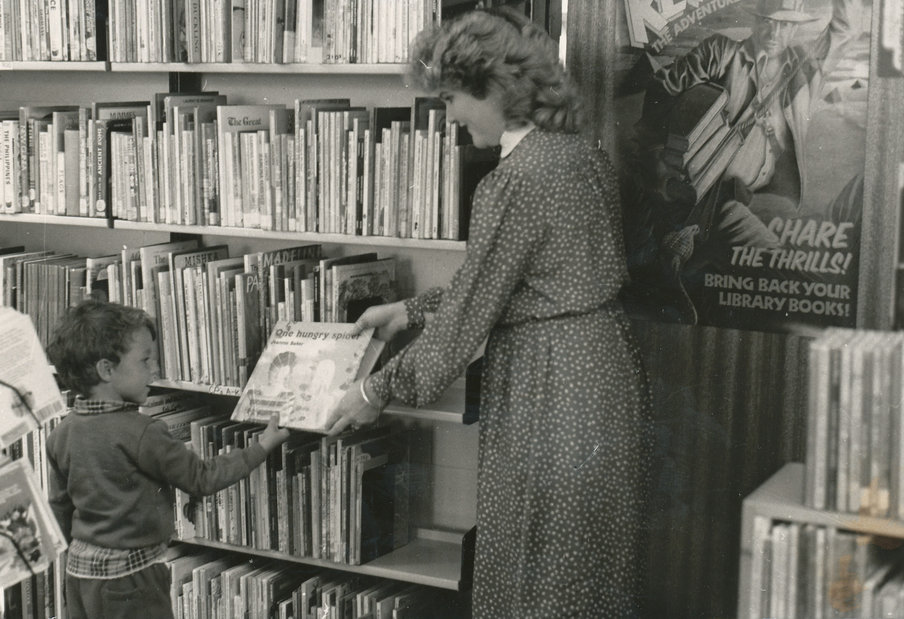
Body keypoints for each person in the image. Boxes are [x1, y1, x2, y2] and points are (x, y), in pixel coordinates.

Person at [325, 8, 653, 618]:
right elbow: (517, 283)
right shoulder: (579, 156)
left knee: (537, 563)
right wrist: (408, 309)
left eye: (451, 99)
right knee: (586, 565)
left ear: (495, 89)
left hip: (551, 386)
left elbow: (474, 311)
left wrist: (374, 390)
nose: (448, 118)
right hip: (602, 375)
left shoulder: (516, 178)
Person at [45, 300, 289, 619]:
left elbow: (60, 508)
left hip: (79, 574)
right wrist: (261, 447)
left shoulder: (61, 433)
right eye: (145, 360)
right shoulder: (143, 432)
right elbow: (201, 478)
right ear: (107, 370)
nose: (155, 369)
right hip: (132, 578)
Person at [626, 0, 862, 321]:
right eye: (768, 21)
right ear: (755, 19)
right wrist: (659, 153)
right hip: (684, 194)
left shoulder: (803, 71)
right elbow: (661, 91)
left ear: (795, 27)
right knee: (657, 270)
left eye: (786, 24)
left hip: (737, 200)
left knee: (788, 276)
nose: (776, 32)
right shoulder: (721, 51)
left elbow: (844, 31)